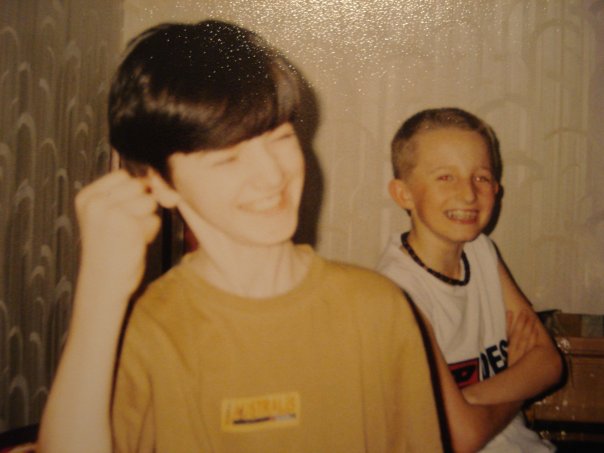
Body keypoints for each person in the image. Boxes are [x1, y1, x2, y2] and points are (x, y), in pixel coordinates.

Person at [38, 20, 444, 453]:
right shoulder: (149, 331)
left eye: (280, 138)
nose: (271, 176)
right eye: (227, 159)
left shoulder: (378, 307)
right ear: (159, 182)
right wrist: (100, 293)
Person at [376, 107, 563, 452]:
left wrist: (468, 400)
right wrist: (515, 379)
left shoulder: (480, 250)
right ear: (404, 194)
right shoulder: (398, 292)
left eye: (481, 177)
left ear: (496, 187)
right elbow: (459, 438)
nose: (468, 194)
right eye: (445, 177)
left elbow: (549, 363)